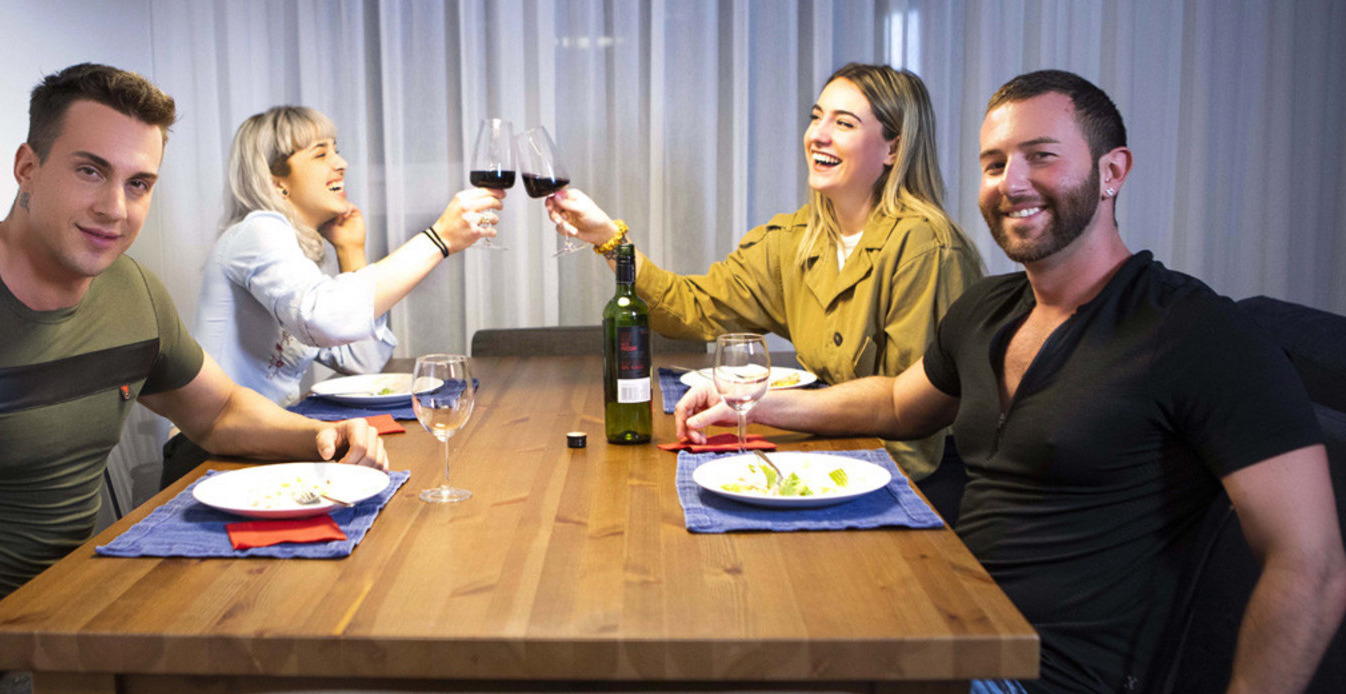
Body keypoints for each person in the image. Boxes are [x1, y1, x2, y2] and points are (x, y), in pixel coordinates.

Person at [676, 70, 1346, 693]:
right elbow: (899, 401)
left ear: (1113, 172)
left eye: (1041, 156)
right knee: (724, 618)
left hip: (1033, 675)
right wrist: (753, 402)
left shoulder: (1196, 333)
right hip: (944, 625)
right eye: (994, 164)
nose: (1011, 182)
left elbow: (1311, 564)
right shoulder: (988, 310)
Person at [0, 64, 388, 694]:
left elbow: (217, 413)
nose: (115, 208)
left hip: (87, 625)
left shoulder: (133, 291)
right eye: (90, 171)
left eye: (139, 183)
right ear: (27, 167)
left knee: (309, 637)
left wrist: (318, 440)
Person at [545, 62, 983, 490]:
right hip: (834, 453)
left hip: (913, 480)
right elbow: (692, 308)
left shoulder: (925, 247)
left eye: (844, 123)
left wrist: (758, 405)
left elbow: (910, 410)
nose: (817, 135)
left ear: (893, 150)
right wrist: (609, 238)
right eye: (816, 117)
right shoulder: (794, 239)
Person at [159, 106, 502, 487]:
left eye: (336, 150)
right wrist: (438, 240)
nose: (341, 163)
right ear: (275, 181)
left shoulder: (293, 256)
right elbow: (322, 318)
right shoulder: (257, 230)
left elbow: (365, 362)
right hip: (205, 455)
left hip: (262, 445)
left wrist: (351, 251)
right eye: (320, 154)